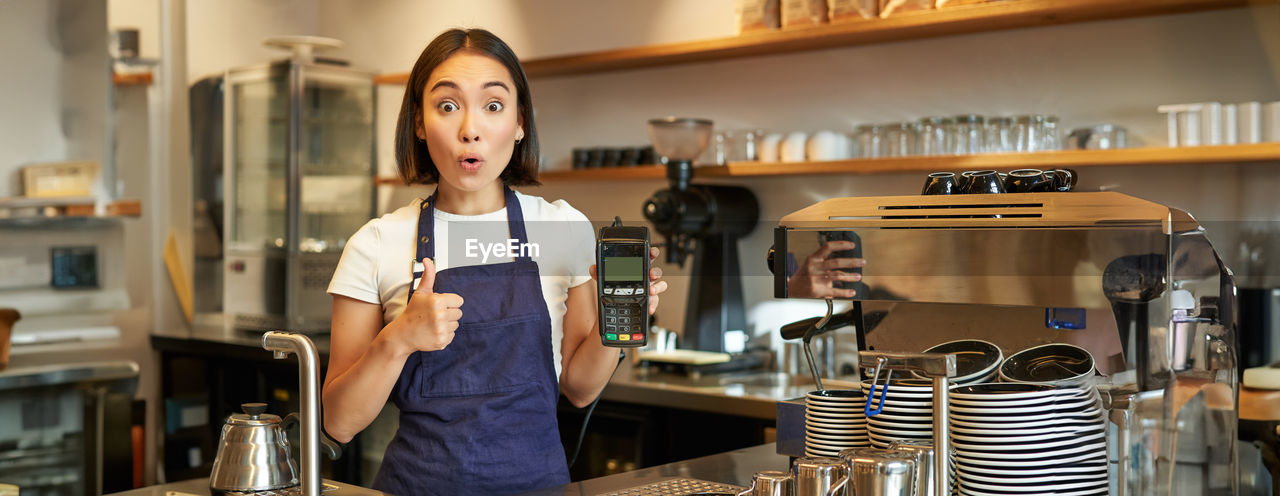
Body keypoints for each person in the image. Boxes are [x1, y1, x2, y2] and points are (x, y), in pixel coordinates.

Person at [320, 28, 668, 495]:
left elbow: (581, 388)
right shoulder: (377, 243)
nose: (470, 128)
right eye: (447, 105)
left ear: (520, 122)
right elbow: (339, 423)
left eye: (493, 105)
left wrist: (616, 323)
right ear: (419, 124)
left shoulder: (564, 228)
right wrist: (397, 340)